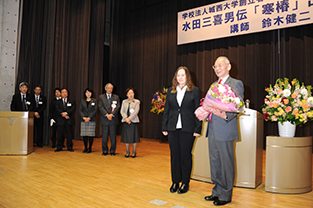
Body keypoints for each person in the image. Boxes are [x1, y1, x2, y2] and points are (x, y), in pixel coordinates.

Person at [203, 56, 244, 206]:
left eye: (220, 65)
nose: (217, 68)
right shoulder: (213, 85)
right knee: (215, 162)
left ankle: (226, 195)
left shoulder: (235, 83)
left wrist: (226, 114)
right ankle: (217, 191)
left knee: (226, 162)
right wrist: (204, 111)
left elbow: (238, 105)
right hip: (212, 127)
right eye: (215, 66)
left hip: (225, 128)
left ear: (229, 66)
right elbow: (209, 103)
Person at [162, 66, 202, 194]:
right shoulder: (170, 91)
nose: (180, 77)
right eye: (178, 75)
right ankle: (175, 181)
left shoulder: (195, 91)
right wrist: (164, 126)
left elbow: (198, 111)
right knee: (174, 156)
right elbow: (166, 110)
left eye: (183, 75)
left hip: (188, 127)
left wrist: (197, 128)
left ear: (187, 76)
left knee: (185, 156)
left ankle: (185, 182)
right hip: (173, 127)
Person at [98, 83, 120, 156]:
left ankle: (113, 151)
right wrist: (107, 115)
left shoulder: (116, 97)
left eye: (111, 88)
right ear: (105, 88)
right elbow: (100, 107)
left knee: (113, 136)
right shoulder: (101, 97)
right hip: (104, 119)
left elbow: (117, 107)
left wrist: (112, 114)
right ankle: (104, 150)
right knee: (104, 136)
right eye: (108, 88)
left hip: (113, 119)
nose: (110, 89)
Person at [120, 88, 140, 158]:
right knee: (126, 137)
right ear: (127, 94)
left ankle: (134, 151)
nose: (131, 94)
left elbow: (136, 111)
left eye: (132, 93)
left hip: (133, 121)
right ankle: (127, 151)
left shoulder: (137, 101)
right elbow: (121, 111)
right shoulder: (124, 102)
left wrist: (129, 118)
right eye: (129, 93)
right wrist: (126, 118)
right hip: (126, 121)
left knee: (134, 137)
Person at [79, 88, 97, 153]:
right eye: (87, 92)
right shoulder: (82, 101)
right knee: (85, 135)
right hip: (84, 120)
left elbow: (95, 110)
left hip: (91, 120)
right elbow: (80, 110)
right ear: (85, 93)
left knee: (91, 135)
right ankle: (85, 148)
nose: (88, 94)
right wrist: (83, 117)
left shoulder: (94, 101)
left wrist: (89, 117)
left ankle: (90, 148)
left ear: (92, 93)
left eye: (89, 92)